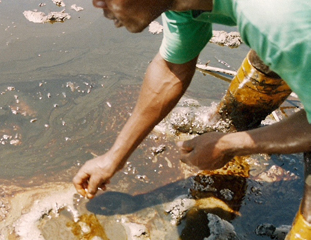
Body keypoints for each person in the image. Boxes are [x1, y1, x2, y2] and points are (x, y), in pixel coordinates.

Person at [72, 0, 311, 237]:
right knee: (268, 62)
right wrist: (114, 157)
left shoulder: (274, 18)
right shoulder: (180, 5)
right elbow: (171, 70)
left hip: (291, 28)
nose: (97, 4)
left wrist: (229, 145)